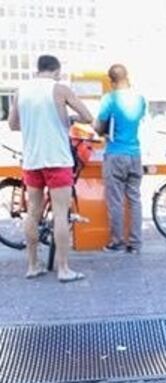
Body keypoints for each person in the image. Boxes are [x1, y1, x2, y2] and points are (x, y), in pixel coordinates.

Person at [8, 54, 93, 282]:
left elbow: (13, 124)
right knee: (60, 215)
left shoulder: (21, 90)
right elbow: (87, 116)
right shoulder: (60, 89)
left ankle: (33, 265)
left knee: (33, 213)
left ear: (38, 69)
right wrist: (71, 118)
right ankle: (64, 269)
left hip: (32, 160)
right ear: (56, 71)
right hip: (57, 159)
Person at [94, 63, 146, 254]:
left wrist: (98, 128)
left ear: (111, 81)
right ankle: (135, 243)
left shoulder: (109, 99)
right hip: (135, 154)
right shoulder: (140, 99)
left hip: (115, 154)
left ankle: (116, 242)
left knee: (115, 200)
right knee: (134, 200)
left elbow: (100, 126)